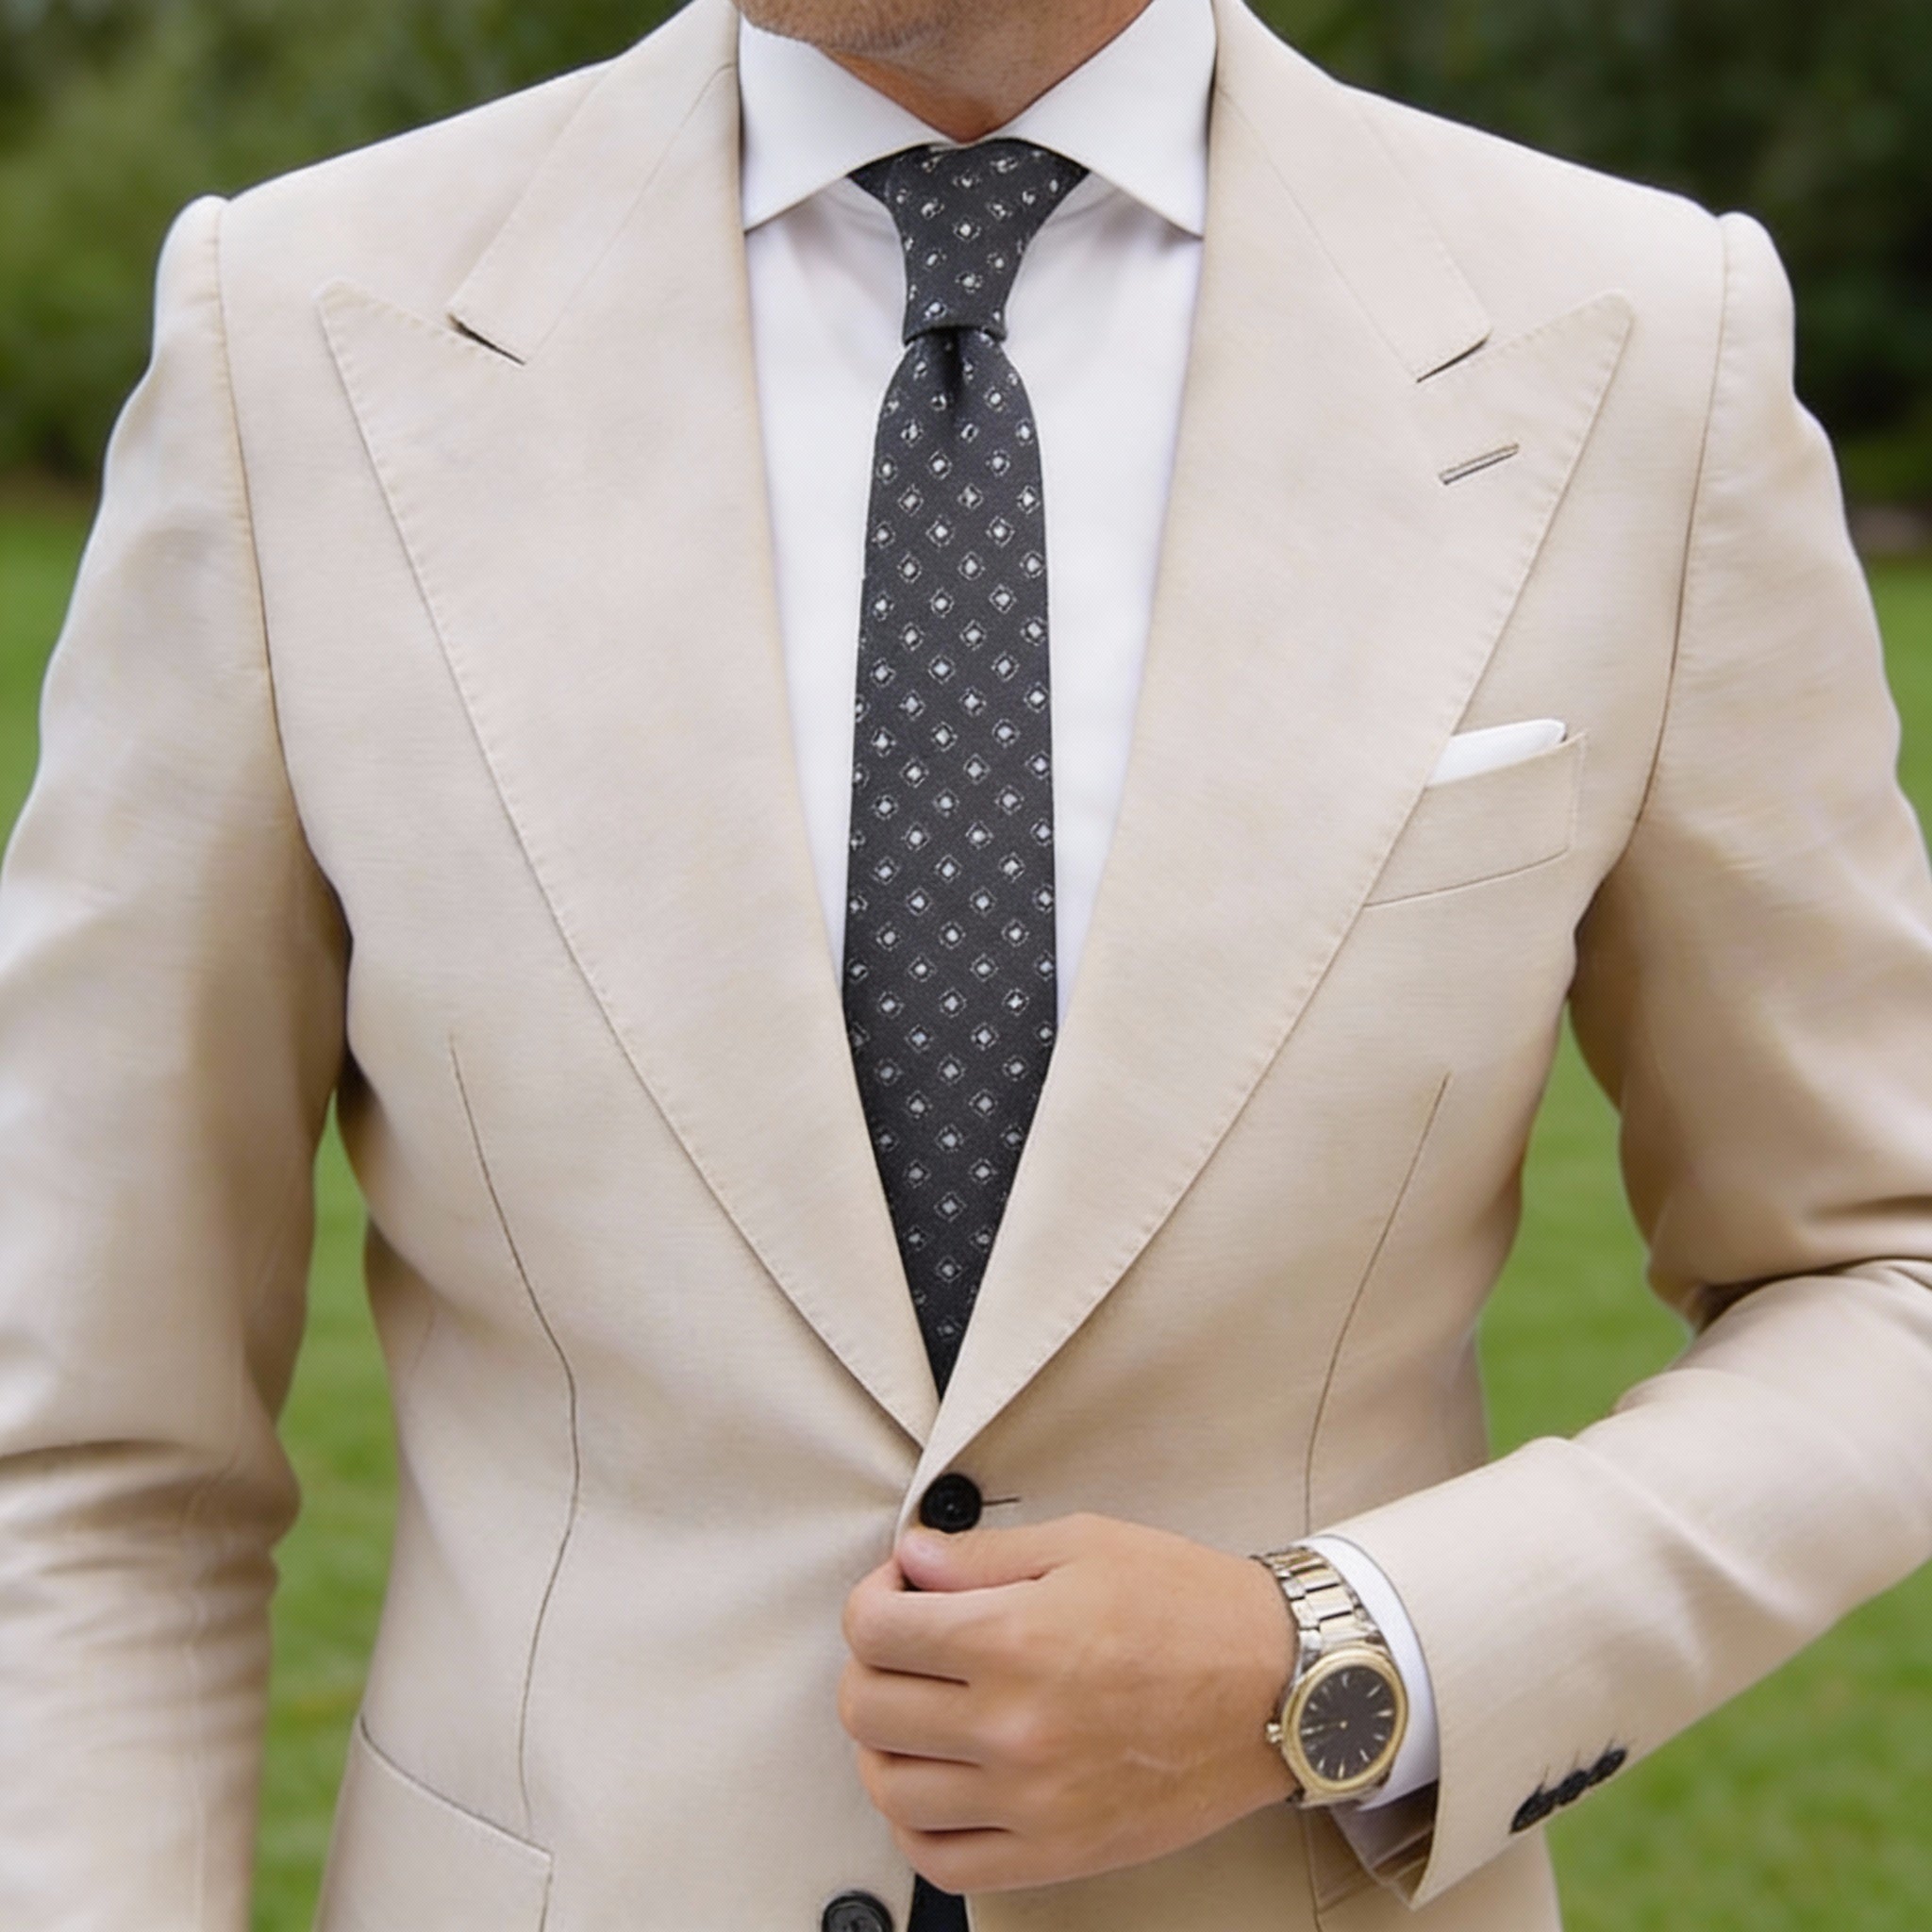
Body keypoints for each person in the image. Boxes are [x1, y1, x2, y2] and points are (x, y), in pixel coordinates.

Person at [1, 0, 1929, 1924]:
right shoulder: (293, 330)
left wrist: (1331, 1662)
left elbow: (1882, 1265)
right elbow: (86, 1443)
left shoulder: (1639, 341)